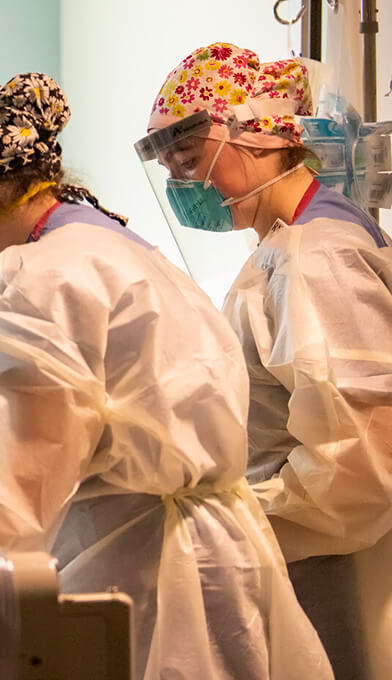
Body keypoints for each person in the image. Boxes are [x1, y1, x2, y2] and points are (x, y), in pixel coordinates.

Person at [0, 73, 332, 678]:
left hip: (144, 586)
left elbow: (4, 500)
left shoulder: (36, 282)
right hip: (220, 565)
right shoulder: (118, 246)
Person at [140, 43, 392, 679]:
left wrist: (246, 513)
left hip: (333, 563)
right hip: (310, 557)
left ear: (258, 135)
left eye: (191, 161)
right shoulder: (287, 246)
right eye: (170, 169)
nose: (181, 185)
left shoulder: (318, 256)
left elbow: (363, 461)